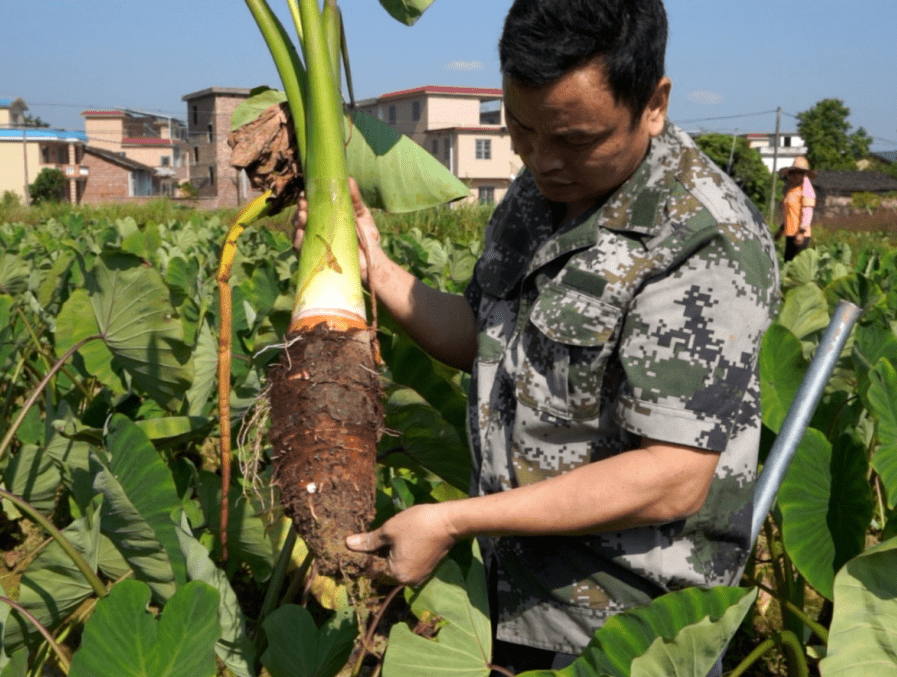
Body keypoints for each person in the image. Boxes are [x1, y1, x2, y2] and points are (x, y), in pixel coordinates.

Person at [296, 0, 779, 671]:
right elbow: (486, 339)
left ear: (654, 103)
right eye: (521, 128)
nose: (544, 160)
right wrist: (375, 270)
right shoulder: (539, 194)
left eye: (577, 140)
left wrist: (456, 518)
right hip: (508, 599)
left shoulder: (701, 240)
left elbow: (672, 476)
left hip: (623, 629)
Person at [778, 156, 817, 261]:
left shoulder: (806, 188)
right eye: (793, 173)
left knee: (796, 266)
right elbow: (789, 213)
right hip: (790, 233)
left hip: (800, 235)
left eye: (799, 173)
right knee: (788, 263)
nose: (795, 176)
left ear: (804, 175)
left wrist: (801, 232)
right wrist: (781, 229)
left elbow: (808, 212)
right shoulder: (791, 189)